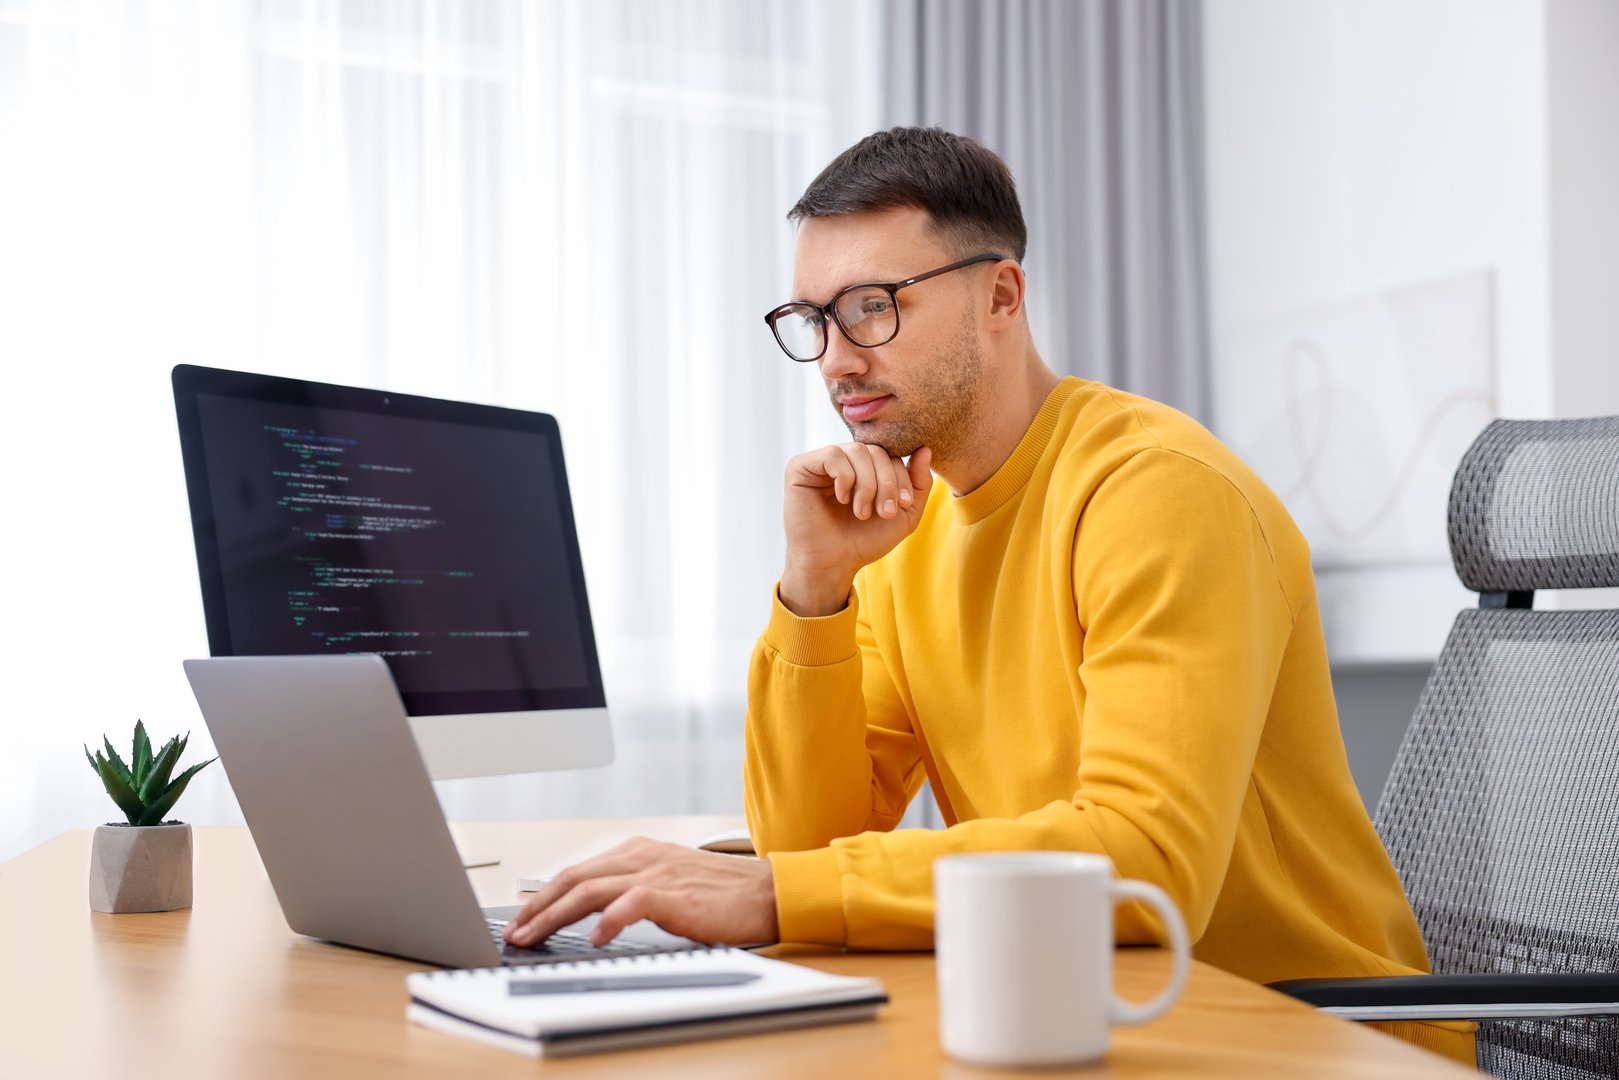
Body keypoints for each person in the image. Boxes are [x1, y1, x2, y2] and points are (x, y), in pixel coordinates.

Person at [505, 127, 1472, 1063]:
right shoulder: (901, 528)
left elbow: (1145, 862)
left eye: (873, 306)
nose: (837, 359)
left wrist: (767, 896)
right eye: (813, 321)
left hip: (1301, 1032)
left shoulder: (1157, 492)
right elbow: (808, 846)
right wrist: (816, 594)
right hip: (1080, 1002)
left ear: (1001, 295)